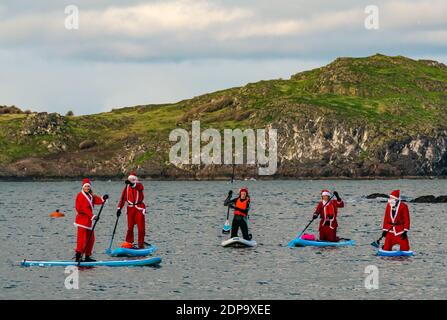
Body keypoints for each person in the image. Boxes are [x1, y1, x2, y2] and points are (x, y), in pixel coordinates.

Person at [74, 178, 108, 262]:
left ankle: (87, 256)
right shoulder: (80, 196)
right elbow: (84, 209)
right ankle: (78, 257)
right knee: (82, 240)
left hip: (88, 221)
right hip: (82, 220)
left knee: (91, 239)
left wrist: (103, 198)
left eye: (88, 186)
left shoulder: (90, 195)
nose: (87, 188)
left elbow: (97, 200)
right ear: (83, 187)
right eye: (86, 186)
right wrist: (93, 216)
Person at [116, 172, 147, 249]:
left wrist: (132, 184)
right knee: (130, 228)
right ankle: (129, 243)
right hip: (130, 209)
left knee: (141, 228)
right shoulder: (126, 188)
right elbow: (123, 198)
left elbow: (138, 187)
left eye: (132, 180)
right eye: (129, 180)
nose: (131, 181)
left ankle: (140, 245)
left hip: (139, 208)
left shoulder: (139, 185)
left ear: (135, 180)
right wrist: (119, 208)